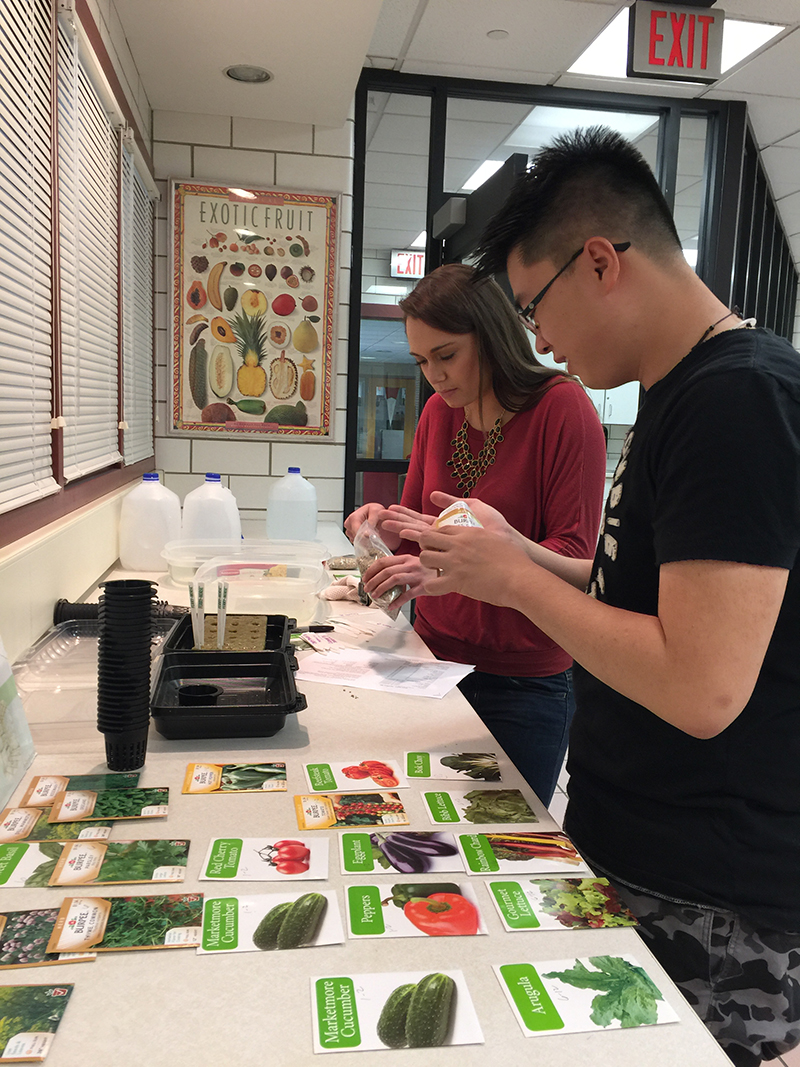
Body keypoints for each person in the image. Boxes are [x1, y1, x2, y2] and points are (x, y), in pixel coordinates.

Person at [397, 128, 800, 1067]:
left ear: (602, 262)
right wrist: (517, 552)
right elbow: (634, 591)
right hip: (630, 837)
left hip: (712, 883)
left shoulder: (741, 400)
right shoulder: (675, 393)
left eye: (536, 307)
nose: (537, 337)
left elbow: (702, 687)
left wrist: (515, 585)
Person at [345, 263, 606, 805]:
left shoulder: (562, 408)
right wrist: (381, 531)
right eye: (422, 361)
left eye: (446, 355)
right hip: (432, 660)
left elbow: (578, 560)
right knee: (417, 822)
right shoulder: (440, 413)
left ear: (492, 337)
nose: (434, 376)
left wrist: (483, 552)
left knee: (503, 846)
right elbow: (419, 529)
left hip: (523, 680)